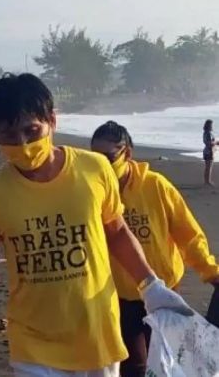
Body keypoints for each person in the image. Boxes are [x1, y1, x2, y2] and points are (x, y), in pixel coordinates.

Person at [0, 73, 193, 377]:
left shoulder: (94, 169)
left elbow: (118, 232)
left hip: (98, 336)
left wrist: (151, 286)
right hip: (33, 344)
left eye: (32, 131)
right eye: (9, 135)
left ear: (52, 121)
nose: (23, 144)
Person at [91, 121, 219, 377]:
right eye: (95, 157)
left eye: (108, 157)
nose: (101, 164)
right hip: (121, 296)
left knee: (168, 361)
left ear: (127, 153)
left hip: (164, 291)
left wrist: (210, 271)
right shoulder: (93, 192)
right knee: (133, 365)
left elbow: (188, 234)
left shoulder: (155, 186)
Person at [203, 119, 215, 186]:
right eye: (211, 125)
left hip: (206, 151)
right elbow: (209, 143)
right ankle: (208, 181)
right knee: (209, 167)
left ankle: (206, 181)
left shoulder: (205, 132)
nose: (212, 126)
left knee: (207, 167)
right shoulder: (208, 133)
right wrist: (216, 143)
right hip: (209, 151)